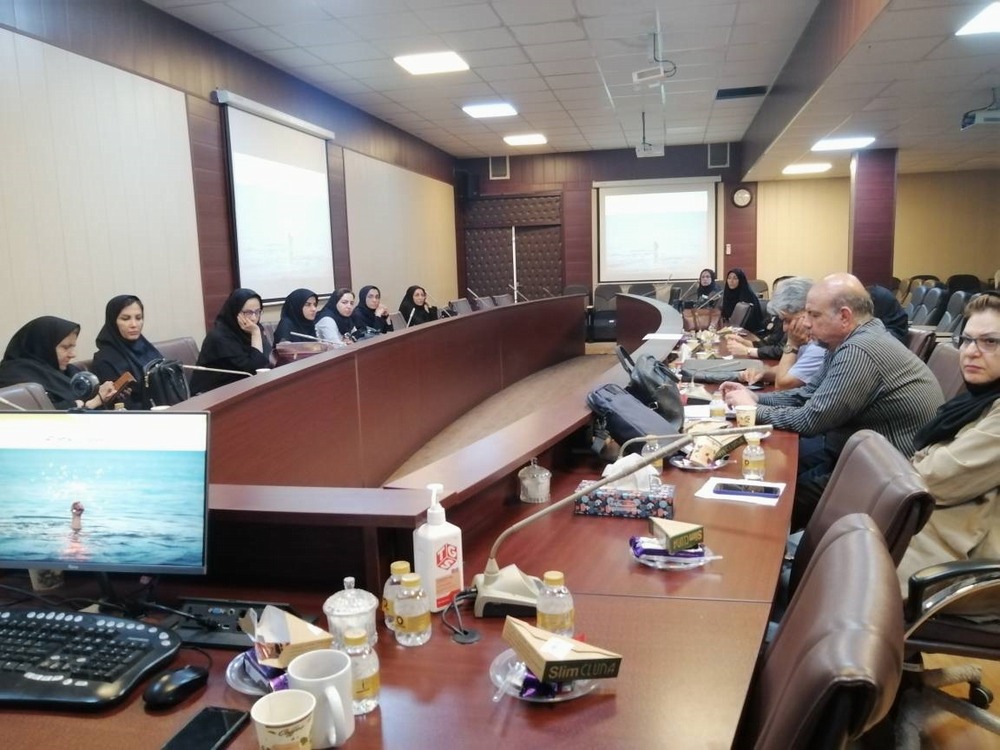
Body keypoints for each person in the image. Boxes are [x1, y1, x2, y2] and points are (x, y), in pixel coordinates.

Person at [720, 273, 944, 529]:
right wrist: (756, 398)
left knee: (769, 505)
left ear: (845, 317)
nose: (806, 323)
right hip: (853, 454)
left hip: (882, 475)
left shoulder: (859, 350)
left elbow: (811, 420)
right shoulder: (844, 342)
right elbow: (806, 394)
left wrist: (753, 410)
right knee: (771, 473)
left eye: (814, 315)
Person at [896, 293, 1000, 612]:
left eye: (990, 342)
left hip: (967, 568)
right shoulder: (977, 400)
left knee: (835, 575)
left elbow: (931, 479)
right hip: (940, 530)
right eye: (966, 340)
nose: (971, 351)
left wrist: (922, 462)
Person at [0, 316, 118, 410]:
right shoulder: (13, 376)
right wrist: (94, 401)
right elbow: (45, 415)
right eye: (65, 347)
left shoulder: (67, 371)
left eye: (72, 346)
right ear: (43, 347)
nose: (73, 354)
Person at [734, 278, 825, 390]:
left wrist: (791, 344)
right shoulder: (807, 339)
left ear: (807, 311)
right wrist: (765, 372)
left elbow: (782, 385)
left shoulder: (820, 346)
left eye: (788, 320)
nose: (784, 328)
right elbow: (793, 369)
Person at [189, 288, 271, 395]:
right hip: (210, 395)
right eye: (248, 313)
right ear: (235, 312)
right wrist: (255, 334)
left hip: (239, 388)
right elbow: (253, 369)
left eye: (257, 312)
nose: (254, 318)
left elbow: (265, 358)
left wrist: (256, 333)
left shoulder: (252, 329)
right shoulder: (219, 337)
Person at [91, 294, 164, 409]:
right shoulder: (104, 360)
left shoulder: (146, 348)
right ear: (113, 321)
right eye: (125, 319)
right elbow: (119, 406)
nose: (134, 325)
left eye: (138, 318)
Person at [720, 268, 764, 334]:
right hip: (732, 328)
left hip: (749, 331)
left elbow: (750, 320)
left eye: (735, 278)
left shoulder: (747, 295)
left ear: (741, 280)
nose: (731, 281)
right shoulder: (727, 294)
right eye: (729, 278)